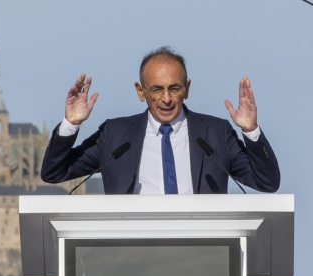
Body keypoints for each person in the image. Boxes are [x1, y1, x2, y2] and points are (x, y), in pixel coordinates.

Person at [40, 47, 280, 194]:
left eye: (174, 88)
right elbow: (53, 172)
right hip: (130, 261)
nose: (166, 99)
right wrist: (70, 124)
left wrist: (251, 132)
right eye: (156, 89)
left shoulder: (216, 134)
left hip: (203, 261)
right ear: (140, 91)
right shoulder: (115, 135)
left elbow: (266, 182)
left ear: (187, 89)